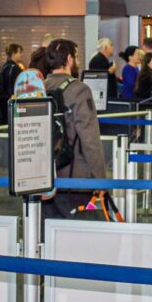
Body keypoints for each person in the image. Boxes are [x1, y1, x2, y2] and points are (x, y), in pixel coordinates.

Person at [44, 39, 104, 218]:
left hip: (45, 177)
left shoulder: (40, 88)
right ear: (69, 59)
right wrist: (101, 180)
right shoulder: (79, 90)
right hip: (74, 179)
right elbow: (90, 138)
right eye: (76, 57)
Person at [0, 43, 24, 122]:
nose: (21, 55)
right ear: (13, 53)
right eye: (19, 52)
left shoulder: (4, 66)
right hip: (12, 101)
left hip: (3, 101)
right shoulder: (15, 68)